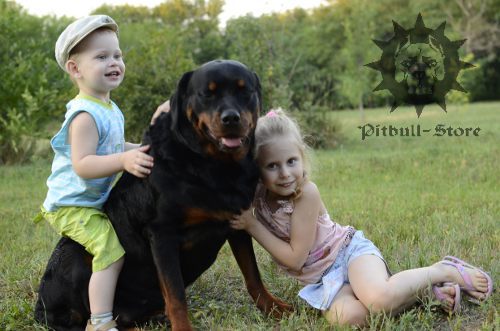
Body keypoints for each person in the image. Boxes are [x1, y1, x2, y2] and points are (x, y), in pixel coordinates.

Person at [230, 109, 493, 326]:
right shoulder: (259, 195)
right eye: (272, 166)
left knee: (377, 299)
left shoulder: (305, 193)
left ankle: (442, 270)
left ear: (302, 157)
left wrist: (252, 225)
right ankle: (422, 292)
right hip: (323, 280)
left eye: (291, 161)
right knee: (350, 319)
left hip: (349, 254)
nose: (285, 173)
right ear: (257, 169)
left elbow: (296, 258)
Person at [34, 15, 168, 331]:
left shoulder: (107, 106)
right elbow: (84, 164)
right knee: (111, 251)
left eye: (117, 55)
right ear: (75, 69)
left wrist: (143, 149)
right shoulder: (84, 115)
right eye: (101, 56)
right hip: (71, 205)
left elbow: (114, 144)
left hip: (92, 201)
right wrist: (124, 161)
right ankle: (101, 320)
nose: (114, 62)